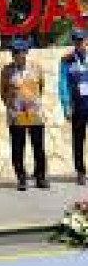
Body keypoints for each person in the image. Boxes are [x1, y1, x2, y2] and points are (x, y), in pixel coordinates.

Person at [0, 37, 48, 191]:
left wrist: (33, 103)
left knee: (38, 146)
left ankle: (40, 177)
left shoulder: (36, 68)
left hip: (35, 113)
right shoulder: (7, 71)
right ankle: (21, 177)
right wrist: (12, 106)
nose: (18, 55)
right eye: (15, 53)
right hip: (16, 114)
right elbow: (2, 91)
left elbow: (41, 87)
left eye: (21, 52)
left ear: (26, 52)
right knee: (18, 147)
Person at [59, 29, 88, 186]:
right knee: (78, 140)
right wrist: (66, 105)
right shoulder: (67, 60)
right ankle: (80, 171)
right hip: (78, 105)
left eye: (82, 40)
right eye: (76, 40)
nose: (79, 43)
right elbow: (63, 84)